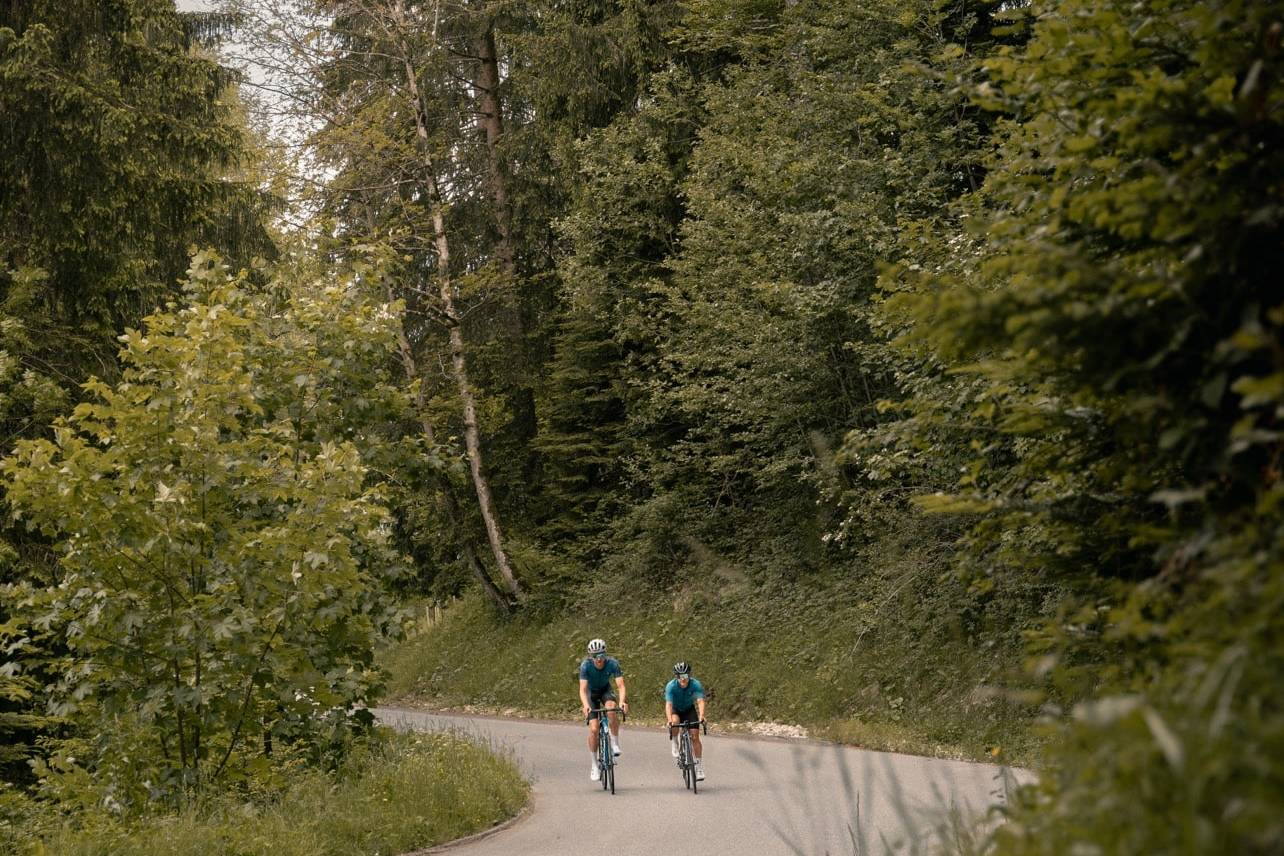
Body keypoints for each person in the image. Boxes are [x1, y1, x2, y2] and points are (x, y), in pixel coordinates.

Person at [579, 637, 628, 781]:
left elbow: (621, 686)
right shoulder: (585, 666)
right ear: (590, 656)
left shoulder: (613, 663)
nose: (598, 659)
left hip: (605, 690)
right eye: (595, 656)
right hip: (591, 694)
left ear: (605, 654)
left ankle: (614, 743)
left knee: (611, 709)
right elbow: (582, 690)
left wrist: (622, 702)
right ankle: (594, 765)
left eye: (601, 655)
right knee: (594, 729)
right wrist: (586, 706)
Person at [665, 660, 707, 781]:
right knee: (675, 722)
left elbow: (700, 701)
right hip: (676, 710)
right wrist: (669, 720)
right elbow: (668, 705)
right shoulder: (671, 686)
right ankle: (675, 741)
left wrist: (702, 716)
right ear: (676, 676)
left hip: (689, 710)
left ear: (689, 675)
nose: (683, 679)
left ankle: (698, 768)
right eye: (680, 676)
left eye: (685, 676)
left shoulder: (695, 684)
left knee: (695, 737)